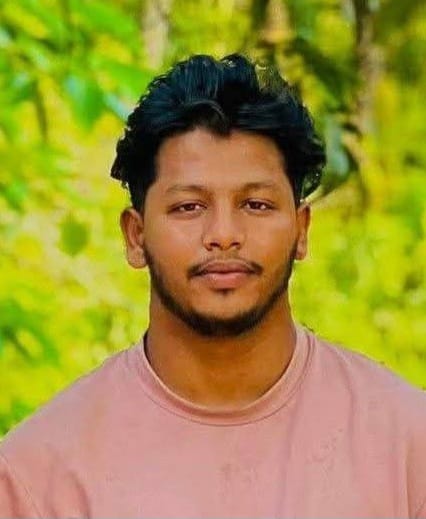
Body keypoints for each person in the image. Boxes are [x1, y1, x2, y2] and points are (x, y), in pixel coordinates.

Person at [0, 53, 425, 519]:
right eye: (189, 207)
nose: (224, 234)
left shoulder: (407, 447)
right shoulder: (37, 477)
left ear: (302, 229)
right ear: (136, 236)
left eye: (256, 204)